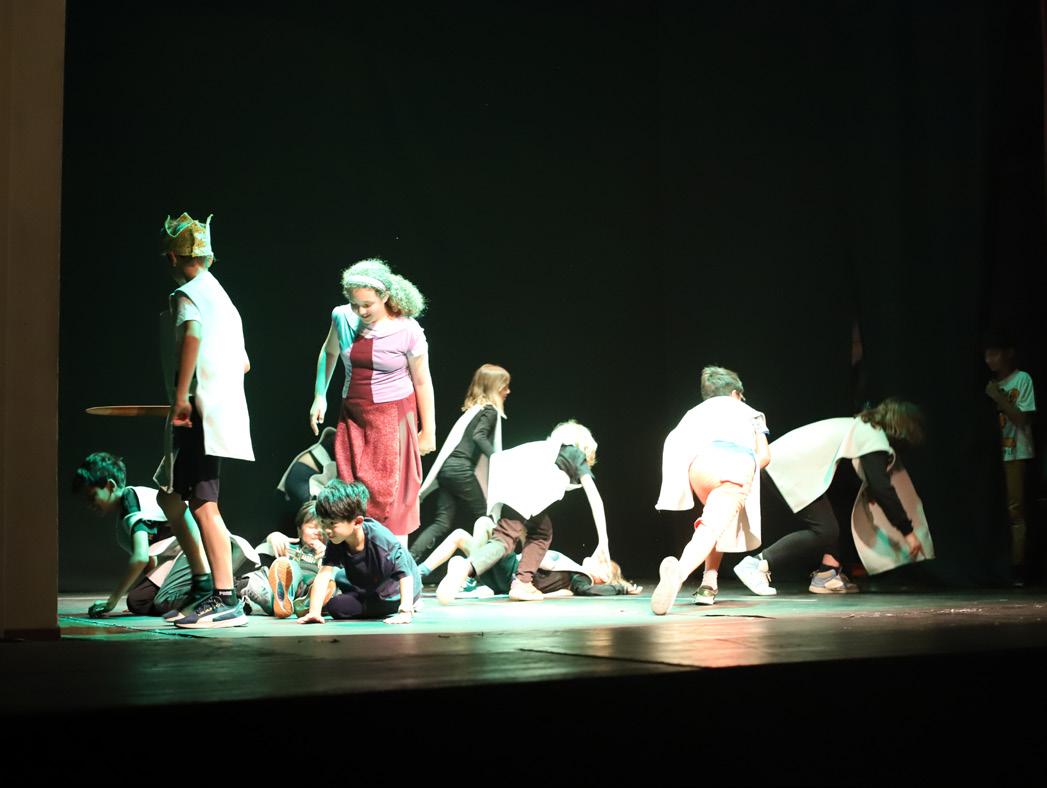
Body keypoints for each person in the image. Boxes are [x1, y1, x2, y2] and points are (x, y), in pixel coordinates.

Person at [152, 213, 255, 628]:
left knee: (203, 504)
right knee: (171, 497)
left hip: (199, 412)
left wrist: (183, 397)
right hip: (214, 409)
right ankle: (201, 583)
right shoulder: (223, 300)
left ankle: (225, 597)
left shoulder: (188, 294)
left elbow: (192, 336)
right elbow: (244, 363)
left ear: (173, 257)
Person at [731, 398, 930, 597]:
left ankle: (827, 573)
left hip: (788, 463)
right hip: (789, 466)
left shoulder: (862, 429)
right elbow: (883, 489)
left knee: (838, 513)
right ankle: (756, 564)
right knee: (825, 531)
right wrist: (908, 532)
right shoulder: (873, 436)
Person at [308, 259, 435, 548]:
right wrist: (319, 395)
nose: (361, 311)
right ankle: (359, 560)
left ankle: (394, 563)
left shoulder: (407, 330)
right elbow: (329, 352)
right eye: (355, 304)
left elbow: (422, 381)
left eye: (368, 305)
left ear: (385, 296)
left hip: (394, 416)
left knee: (392, 494)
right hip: (353, 415)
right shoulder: (342, 317)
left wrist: (428, 431)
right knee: (353, 490)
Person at [436, 420, 610, 603]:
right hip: (525, 489)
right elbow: (595, 498)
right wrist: (603, 542)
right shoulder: (574, 453)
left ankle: (510, 579)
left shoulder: (546, 449)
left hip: (509, 481)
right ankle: (492, 575)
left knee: (530, 532)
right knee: (521, 537)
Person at [72, 451, 257, 617]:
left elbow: (140, 558)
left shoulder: (130, 501)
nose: (90, 504)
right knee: (139, 601)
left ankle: (242, 587)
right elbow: (149, 561)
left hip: (203, 551)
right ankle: (220, 593)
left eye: (92, 496)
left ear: (110, 485)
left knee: (158, 600)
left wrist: (112, 601)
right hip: (181, 558)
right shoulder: (125, 516)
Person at [651, 366, 770, 614]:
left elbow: (675, 441)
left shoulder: (695, 412)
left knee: (714, 522)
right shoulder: (750, 413)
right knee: (712, 527)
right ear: (735, 393)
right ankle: (679, 574)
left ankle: (708, 583)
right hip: (734, 465)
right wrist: (745, 470)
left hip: (701, 469)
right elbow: (765, 456)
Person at [410, 363, 509, 562]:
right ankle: (487, 567)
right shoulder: (489, 411)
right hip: (460, 469)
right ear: (495, 387)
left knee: (442, 523)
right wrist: (498, 459)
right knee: (486, 516)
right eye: (505, 386)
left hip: (447, 470)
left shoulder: (474, 410)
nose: (508, 391)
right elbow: (479, 436)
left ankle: (409, 561)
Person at [298, 480, 421, 624]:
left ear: (357, 522)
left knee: (336, 606)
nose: (326, 530)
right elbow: (324, 573)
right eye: (323, 523)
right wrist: (314, 612)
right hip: (370, 584)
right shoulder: (337, 539)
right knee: (339, 577)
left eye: (332, 524)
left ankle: (408, 604)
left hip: (392, 595)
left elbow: (405, 575)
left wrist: (405, 611)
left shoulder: (381, 540)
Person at [418, 519, 641, 598]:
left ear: (602, 577)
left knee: (484, 523)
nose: (597, 557)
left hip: (508, 571)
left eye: (602, 563)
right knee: (460, 535)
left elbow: (590, 591)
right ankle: (422, 573)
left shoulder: (579, 578)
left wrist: (621, 587)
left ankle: (468, 573)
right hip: (501, 576)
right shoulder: (571, 570)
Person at [984, 335, 1037, 584]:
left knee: (1015, 510)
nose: (990, 360)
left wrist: (998, 396)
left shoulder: (1022, 379)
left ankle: (1018, 566)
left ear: (1008, 353)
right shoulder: (990, 384)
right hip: (994, 454)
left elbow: (1023, 419)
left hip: (1016, 453)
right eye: (987, 355)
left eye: (995, 353)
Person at [239, 501, 335, 618]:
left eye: (323, 527)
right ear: (299, 530)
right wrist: (272, 537)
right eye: (312, 527)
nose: (318, 532)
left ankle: (305, 603)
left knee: (333, 577)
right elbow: (260, 550)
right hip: (287, 585)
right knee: (287, 566)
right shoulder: (288, 547)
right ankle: (286, 602)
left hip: (311, 589)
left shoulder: (332, 552)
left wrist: (328, 557)